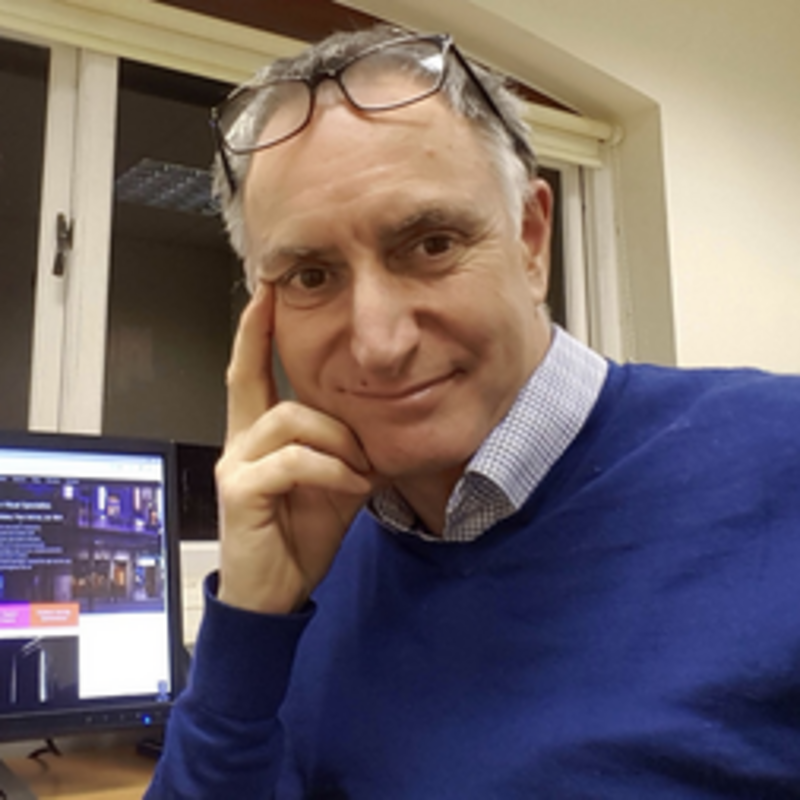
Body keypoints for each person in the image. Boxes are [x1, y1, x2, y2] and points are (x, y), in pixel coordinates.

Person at [145, 25, 800, 799]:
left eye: (430, 244)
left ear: (529, 240)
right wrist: (250, 624)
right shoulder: (302, 562)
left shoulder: (778, 467)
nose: (380, 343)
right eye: (311, 274)